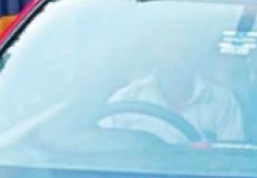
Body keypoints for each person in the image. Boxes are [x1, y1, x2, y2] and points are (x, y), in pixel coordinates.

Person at [104, 40, 244, 144]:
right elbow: (103, 148)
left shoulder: (223, 101)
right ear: (155, 53)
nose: (177, 58)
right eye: (171, 49)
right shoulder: (126, 98)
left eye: (184, 50)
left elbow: (231, 160)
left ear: (196, 56)